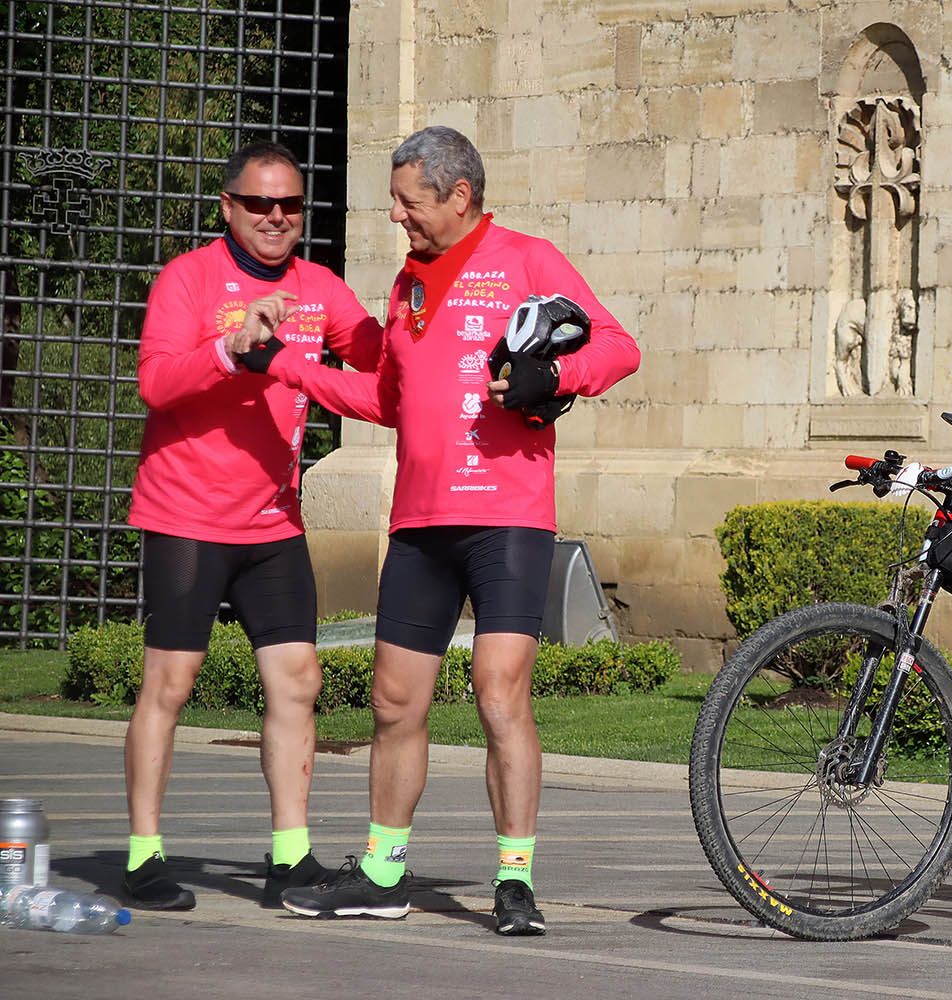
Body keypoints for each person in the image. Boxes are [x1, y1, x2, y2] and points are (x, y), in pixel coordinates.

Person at [245, 126, 640, 936]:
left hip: (506, 518)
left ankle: (515, 879)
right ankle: (384, 871)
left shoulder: (529, 259)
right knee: (394, 702)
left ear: (460, 195)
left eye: (408, 201)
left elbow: (620, 348)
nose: (397, 216)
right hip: (422, 521)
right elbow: (387, 399)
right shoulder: (407, 285)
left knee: (500, 693)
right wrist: (282, 364)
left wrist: (552, 374)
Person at [124, 140, 384, 910]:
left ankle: (291, 859)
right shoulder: (189, 279)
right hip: (186, 516)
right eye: (260, 203)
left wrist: (442, 330)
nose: (277, 217)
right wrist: (230, 349)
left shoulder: (318, 289)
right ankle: (143, 856)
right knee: (169, 684)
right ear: (228, 207)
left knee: (298, 681)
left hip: (273, 522)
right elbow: (155, 382)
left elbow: (379, 365)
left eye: (291, 205)